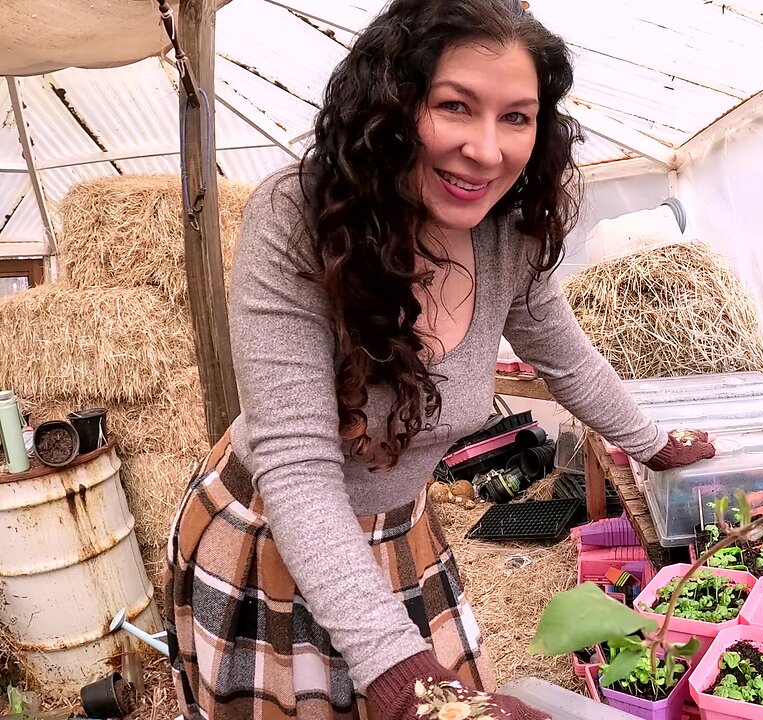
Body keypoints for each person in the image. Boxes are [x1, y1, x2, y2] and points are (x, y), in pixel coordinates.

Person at [162, 1, 717, 719]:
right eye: (456, 106)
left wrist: (653, 443)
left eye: (516, 117)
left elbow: (566, 357)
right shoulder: (301, 218)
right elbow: (297, 466)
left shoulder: (507, 234)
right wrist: (407, 677)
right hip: (276, 535)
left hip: (400, 529)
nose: (487, 151)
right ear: (391, 103)